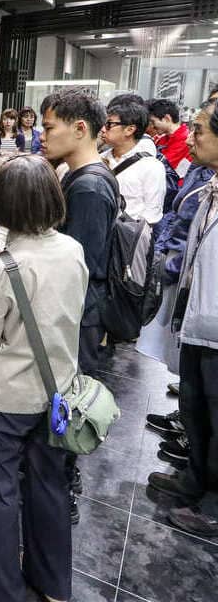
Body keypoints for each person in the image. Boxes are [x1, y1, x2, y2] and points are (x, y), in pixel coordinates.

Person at [0, 153, 88, 602]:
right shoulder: (73, 252)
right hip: (59, 393)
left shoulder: (1, 267)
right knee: (49, 485)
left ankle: (0, 586)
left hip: (6, 398)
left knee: (0, 490)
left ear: (4, 206)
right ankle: (54, 583)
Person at [40, 91, 118, 522]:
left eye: (50, 127)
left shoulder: (88, 186)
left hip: (78, 320)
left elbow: (80, 269)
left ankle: (61, 491)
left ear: (80, 128)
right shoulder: (81, 176)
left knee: (65, 410)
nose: (43, 135)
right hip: (76, 317)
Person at [147, 99, 218, 537]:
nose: (190, 139)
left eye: (200, 130)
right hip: (199, 318)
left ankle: (211, 507)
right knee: (195, 406)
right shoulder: (208, 187)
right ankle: (195, 481)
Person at [101, 97, 166, 225]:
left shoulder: (151, 167)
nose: (103, 129)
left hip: (127, 238)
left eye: (109, 124)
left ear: (130, 129)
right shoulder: (99, 159)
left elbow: (152, 214)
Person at [148, 98, 192, 181]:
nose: (152, 126)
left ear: (167, 118)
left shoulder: (185, 142)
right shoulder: (162, 139)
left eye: (153, 122)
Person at [0, 108, 25, 173]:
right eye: (5, 119)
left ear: (15, 121)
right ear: (1, 121)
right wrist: (12, 153)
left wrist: (0, 151)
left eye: (11, 119)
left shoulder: (20, 136)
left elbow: (19, 156)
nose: (8, 122)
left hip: (13, 169)